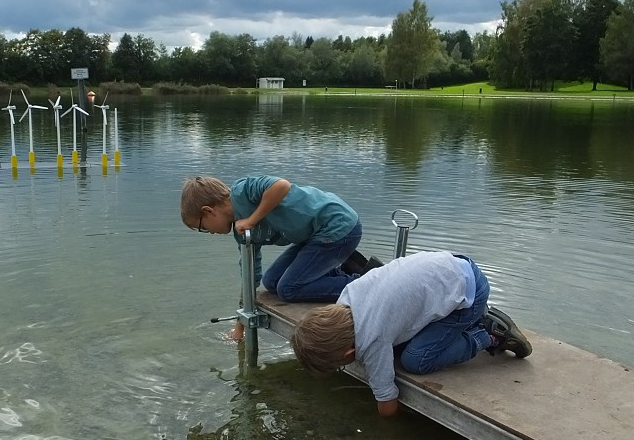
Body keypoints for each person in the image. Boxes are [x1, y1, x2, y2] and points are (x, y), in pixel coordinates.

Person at [289, 250, 532, 417]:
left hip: (470, 293)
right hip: (452, 267)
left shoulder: (373, 339)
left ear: (349, 352)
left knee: (415, 360)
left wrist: (386, 434)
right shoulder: (345, 300)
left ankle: (486, 333)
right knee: (399, 346)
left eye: (341, 364)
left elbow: (387, 401)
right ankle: (473, 322)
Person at [181, 175, 365, 341]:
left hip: (338, 226)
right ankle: (334, 269)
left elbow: (281, 186)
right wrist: (240, 327)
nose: (209, 233)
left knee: (288, 289)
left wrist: (252, 220)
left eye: (202, 227)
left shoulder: (243, 191)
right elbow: (250, 274)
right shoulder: (240, 231)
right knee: (272, 281)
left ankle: (363, 283)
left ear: (208, 211)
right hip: (314, 237)